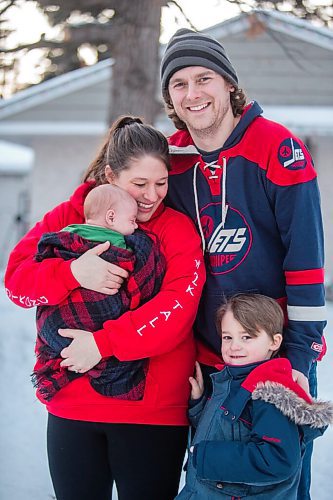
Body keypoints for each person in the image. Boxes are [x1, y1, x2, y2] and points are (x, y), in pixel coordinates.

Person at [160, 28, 326, 499]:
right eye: (179, 84)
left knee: (280, 482)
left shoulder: (277, 148)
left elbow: (307, 264)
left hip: (273, 359)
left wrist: (299, 353)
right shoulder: (172, 164)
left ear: (229, 83)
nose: (192, 94)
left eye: (204, 78)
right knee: (213, 484)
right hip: (207, 363)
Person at [4, 116, 206, 500]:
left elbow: (177, 310)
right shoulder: (71, 216)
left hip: (151, 412)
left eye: (161, 183)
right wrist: (71, 272)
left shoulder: (175, 229)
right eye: (139, 184)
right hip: (71, 405)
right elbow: (17, 281)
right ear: (111, 175)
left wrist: (102, 343)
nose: (151, 196)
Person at [176, 294, 332, 500]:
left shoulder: (270, 393)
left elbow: (277, 460)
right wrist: (199, 404)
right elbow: (227, 431)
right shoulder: (233, 380)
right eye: (227, 337)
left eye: (247, 337)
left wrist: (206, 457)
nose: (234, 346)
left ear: (274, 342)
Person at [32, 183, 165, 402]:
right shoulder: (118, 242)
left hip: (54, 328)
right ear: (111, 217)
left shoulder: (67, 233)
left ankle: (62, 365)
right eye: (132, 221)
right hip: (93, 314)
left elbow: (45, 255)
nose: (135, 228)